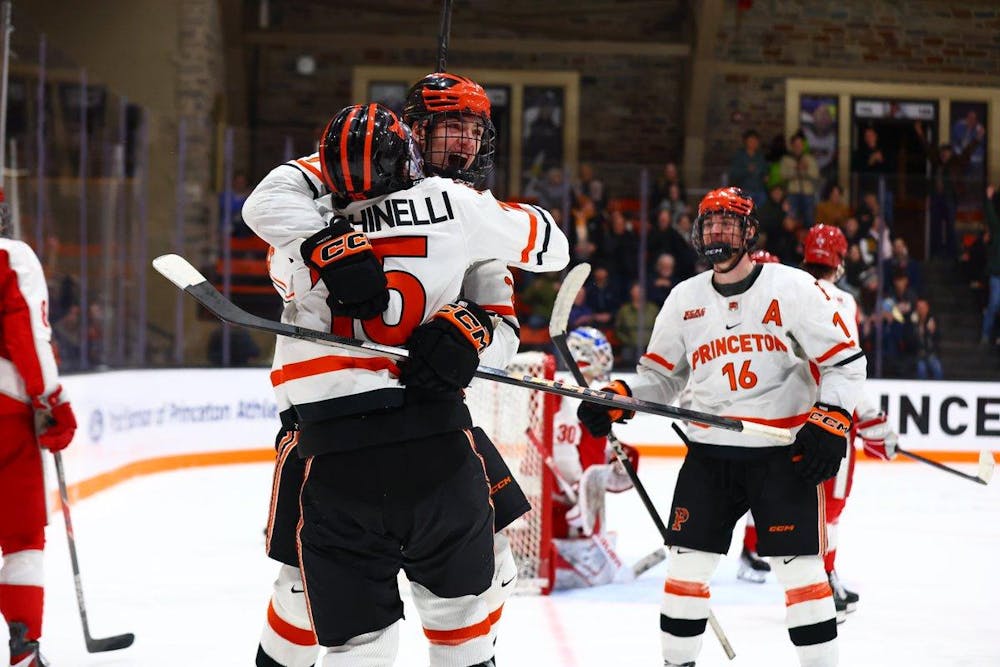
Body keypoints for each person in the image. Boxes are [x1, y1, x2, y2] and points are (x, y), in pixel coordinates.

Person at [244, 100, 567, 666]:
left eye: (471, 132)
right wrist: (477, 321)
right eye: (448, 131)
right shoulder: (462, 209)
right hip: (411, 438)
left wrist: (472, 329)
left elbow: (501, 332)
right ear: (414, 139)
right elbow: (551, 247)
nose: (461, 145)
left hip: (344, 439)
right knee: (316, 596)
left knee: (353, 631)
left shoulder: (304, 218)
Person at [577, 187, 867, 667]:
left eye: (728, 224)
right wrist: (621, 399)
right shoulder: (683, 298)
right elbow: (661, 379)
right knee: (686, 570)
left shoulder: (790, 286)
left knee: (801, 573)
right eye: (710, 224)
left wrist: (832, 418)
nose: (718, 233)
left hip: (781, 453)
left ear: (749, 232)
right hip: (710, 455)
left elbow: (845, 362)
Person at [798, 224, 901, 621]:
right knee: (829, 507)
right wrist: (872, 417)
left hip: (786, 416)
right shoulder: (842, 300)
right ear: (840, 263)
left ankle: (819, 578)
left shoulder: (785, 287)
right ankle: (818, 582)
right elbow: (844, 370)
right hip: (829, 421)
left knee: (799, 505)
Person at [1, 217, 78, 667]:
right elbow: (27, 335)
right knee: (21, 537)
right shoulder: (10, 257)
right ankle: (23, 649)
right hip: (5, 411)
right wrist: (51, 401)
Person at [548, 327, 640, 589]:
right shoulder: (561, 397)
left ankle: (584, 549)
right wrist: (577, 487)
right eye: (600, 353)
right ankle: (568, 555)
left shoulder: (594, 397)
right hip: (562, 502)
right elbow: (563, 452)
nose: (605, 360)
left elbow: (593, 450)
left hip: (584, 497)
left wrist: (617, 458)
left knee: (631, 456)